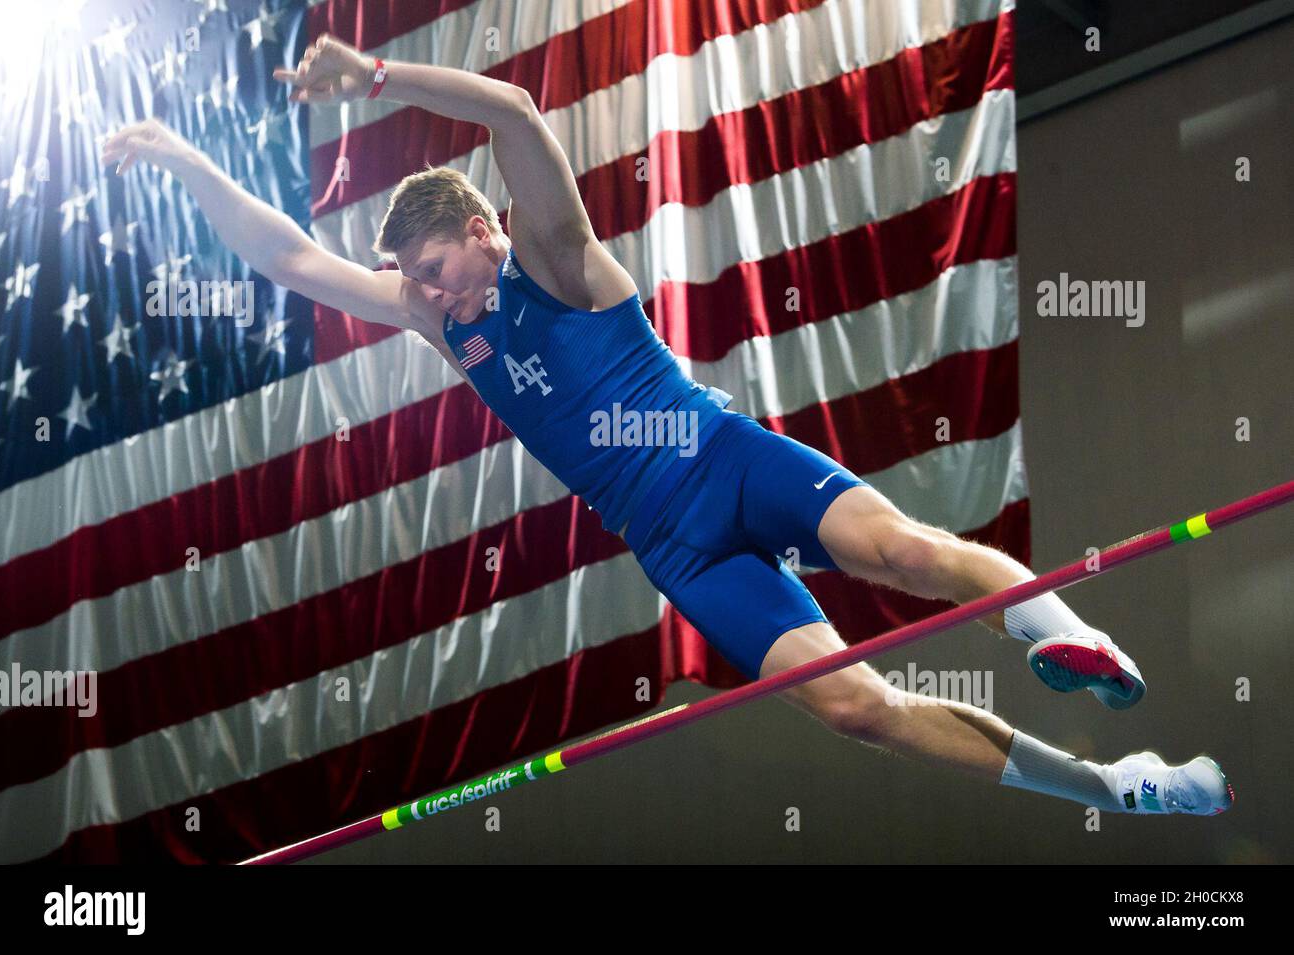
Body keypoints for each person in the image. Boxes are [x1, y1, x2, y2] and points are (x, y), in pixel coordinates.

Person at [100, 34, 1232, 817]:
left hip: (724, 461)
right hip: (674, 540)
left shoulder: (553, 255)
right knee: (852, 708)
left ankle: (1055, 636)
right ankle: (1114, 783)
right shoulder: (437, 320)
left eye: (438, 271)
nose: (432, 296)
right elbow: (289, 255)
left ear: (487, 230)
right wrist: (188, 161)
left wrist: (379, 77)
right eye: (417, 284)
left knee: (904, 555)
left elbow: (514, 111)